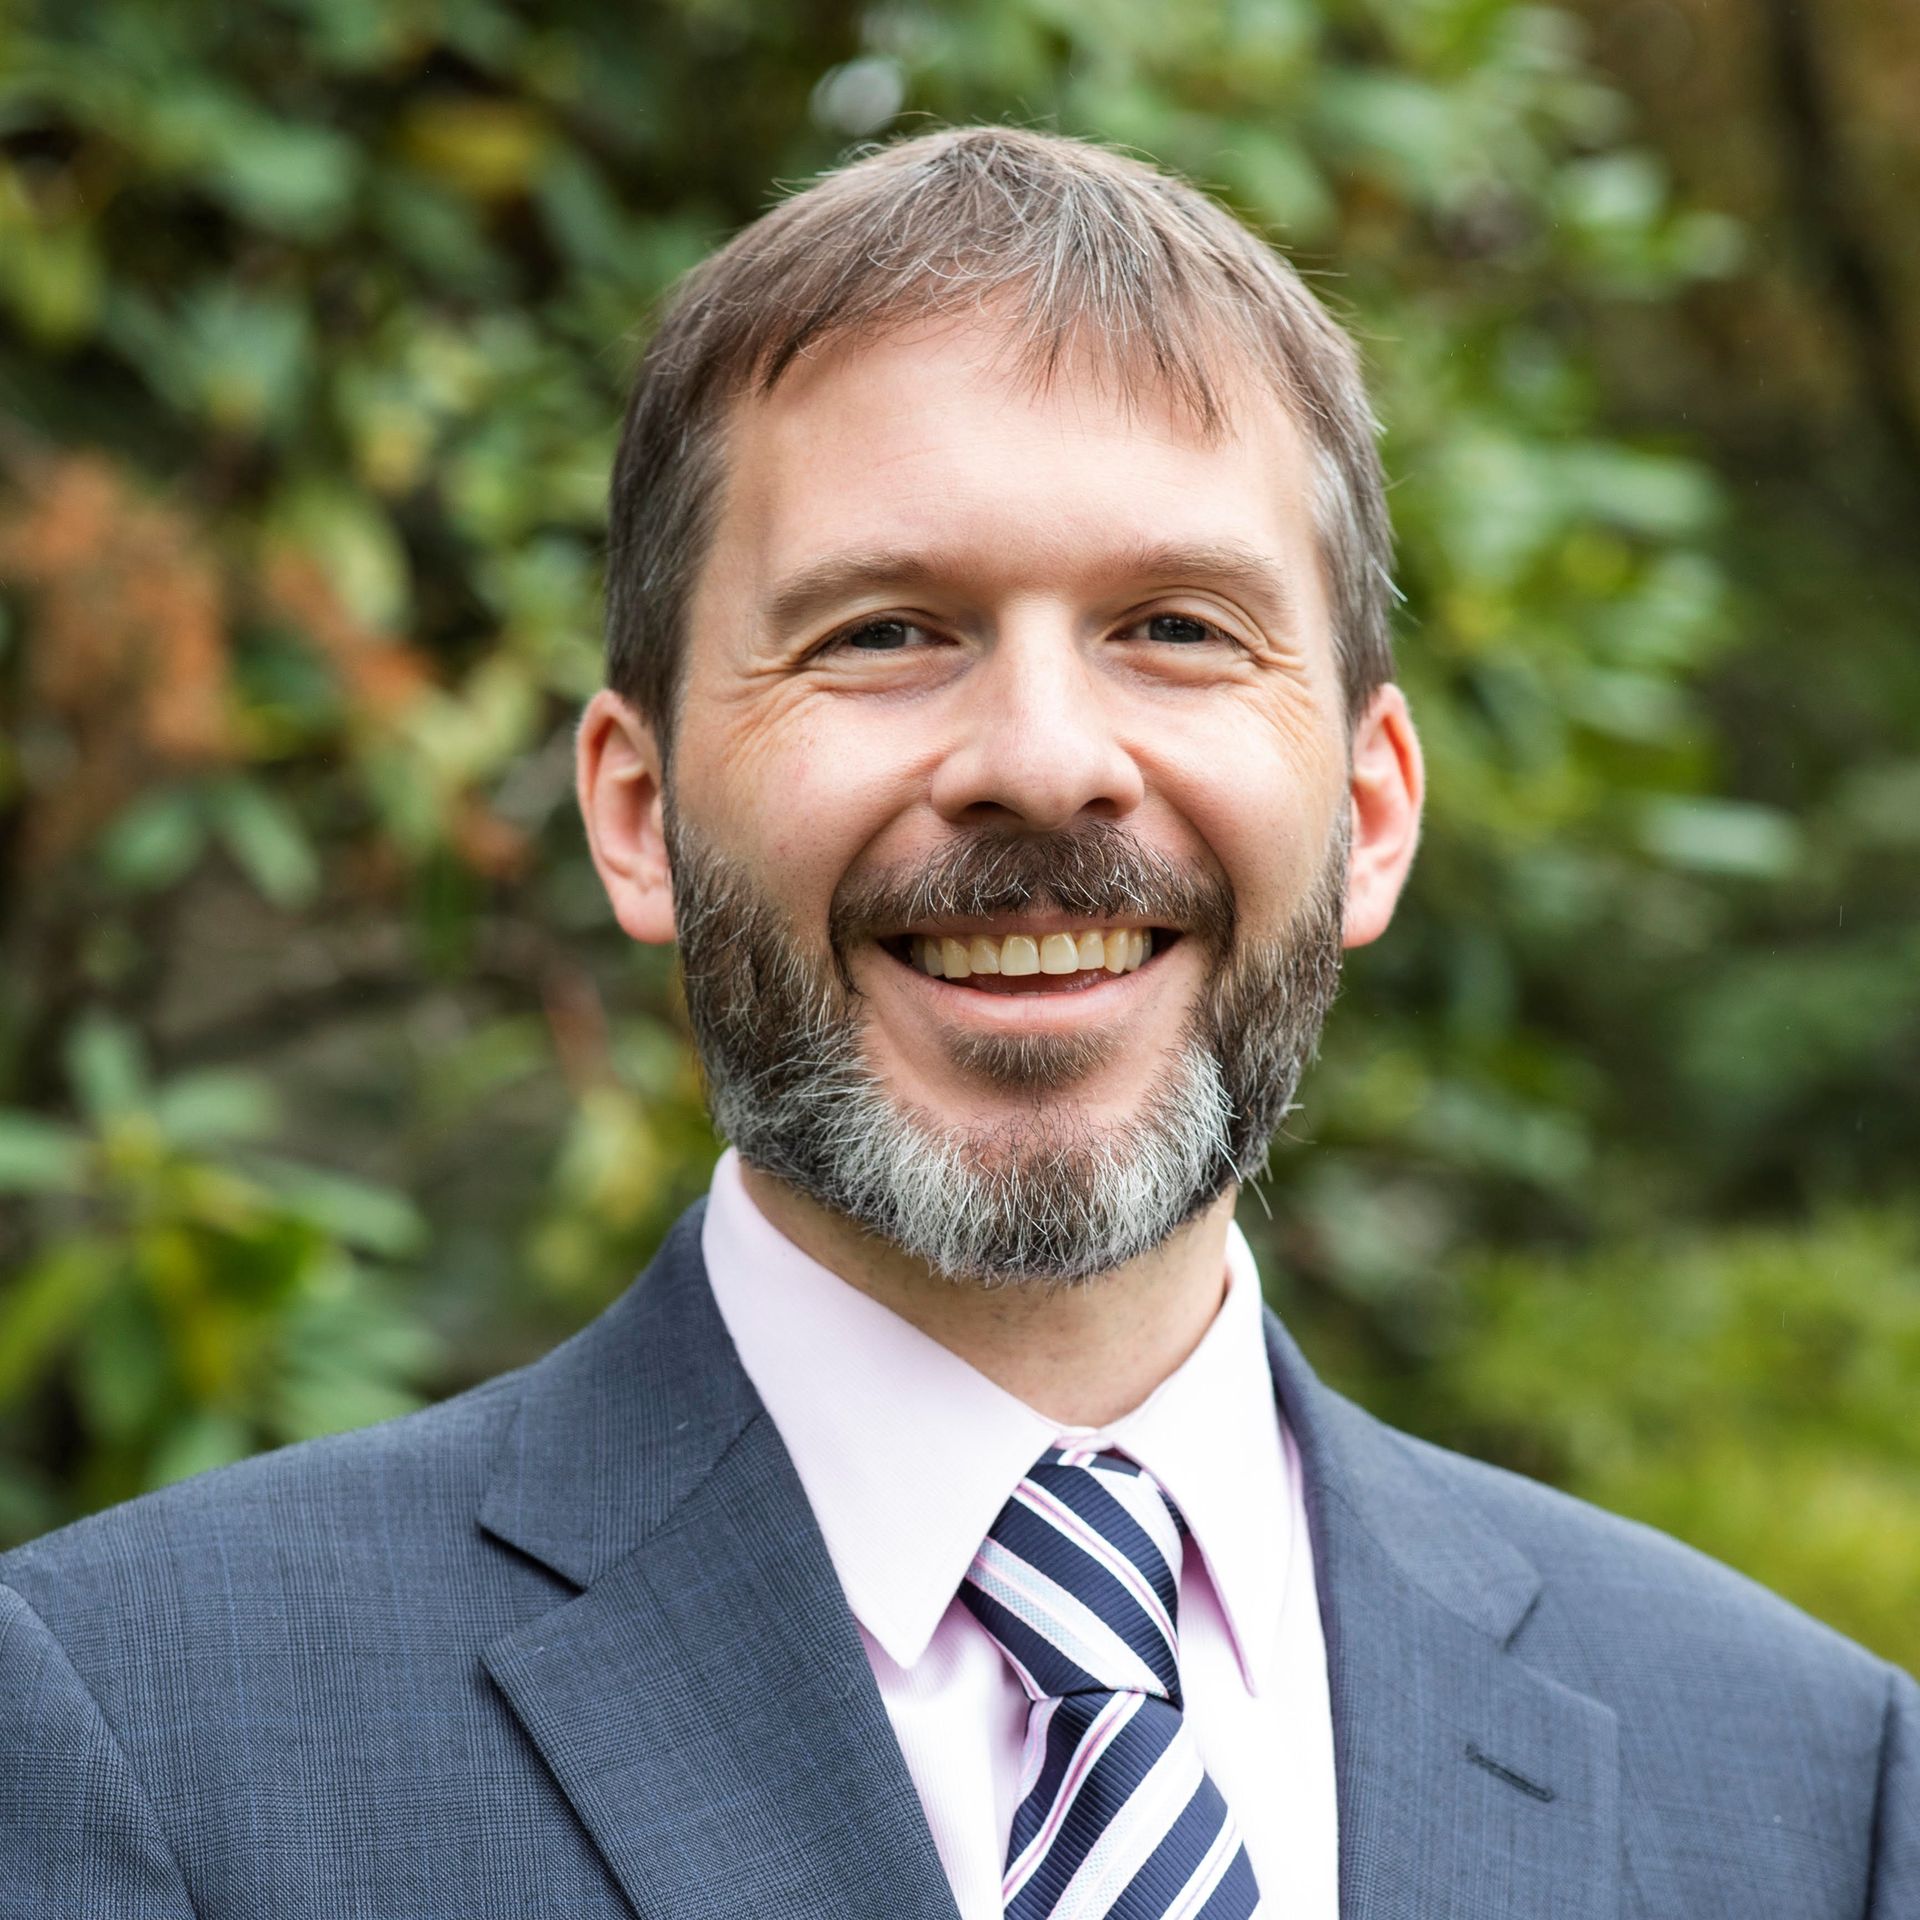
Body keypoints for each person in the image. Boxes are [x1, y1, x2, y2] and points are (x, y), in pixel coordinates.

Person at [0, 125, 1911, 1920]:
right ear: (638, 816)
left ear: (1371, 811)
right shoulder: (137, 1733)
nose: (1044, 765)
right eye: (884, 632)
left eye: (1175, 626)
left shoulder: (1815, 1792)